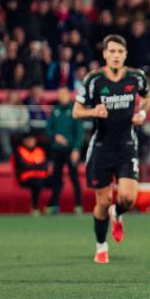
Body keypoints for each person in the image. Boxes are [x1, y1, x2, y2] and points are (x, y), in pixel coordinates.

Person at [73, 34, 150, 264]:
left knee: (128, 198)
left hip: (126, 145)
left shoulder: (136, 77)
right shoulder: (94, 79)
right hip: (101, 148)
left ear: (125, 55)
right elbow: (76, 111)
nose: (116, 55)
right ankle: (101, 245)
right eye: (112, 51)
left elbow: (147, 97)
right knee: (103, 201)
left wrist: (143, 113)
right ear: (105, 54)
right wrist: (93, 112)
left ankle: (118, 214)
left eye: (120, 52)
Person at [46, 87, 84, 215]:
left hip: (70, 150)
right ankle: (54, 205)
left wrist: (76, 149)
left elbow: (80, 132)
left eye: (63, 94)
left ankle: (78, 204)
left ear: (68, 95)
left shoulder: (74, 110)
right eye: (59, 94)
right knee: (56, 178)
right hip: (57, 150)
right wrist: (55, 136)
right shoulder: (55, 110)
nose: (61, 96)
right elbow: (48, 128)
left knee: (74, 178)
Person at [10, 131, 49, 216]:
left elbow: (45, 165)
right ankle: (35, 207)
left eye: (32, 140)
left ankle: (51, 206)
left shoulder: (39, 150)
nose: (31, 142)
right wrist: (37, 165)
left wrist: (32, 165)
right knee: (37, 183)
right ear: (24, 141)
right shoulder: (19, 151)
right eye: (29, 140)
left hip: (41, 176)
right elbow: (23, 166)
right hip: (25, 178)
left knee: (57, 181)